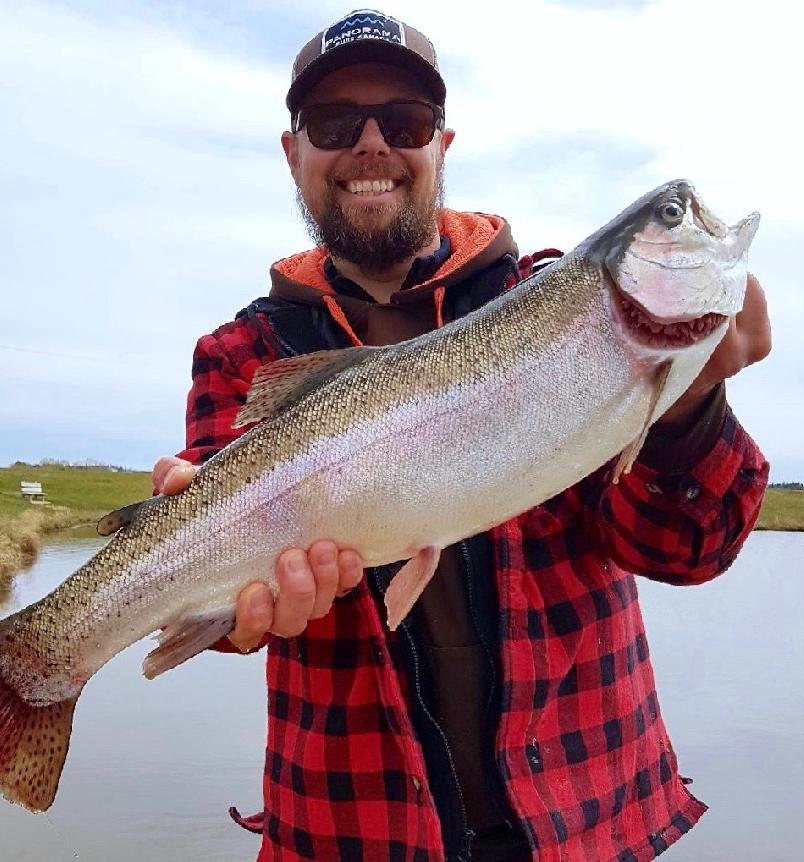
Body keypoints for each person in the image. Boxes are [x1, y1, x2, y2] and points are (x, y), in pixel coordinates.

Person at [153, 10, 771, 861]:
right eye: (336, 125)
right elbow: (232, 614)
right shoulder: (240, 355)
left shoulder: (552, 304)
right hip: (346, 832)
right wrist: (232, 612)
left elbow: (685, 549)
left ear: (442, 144)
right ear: (294, 153)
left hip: (590, 820)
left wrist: (689, 404)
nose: (372, 145)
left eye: (403, 122)